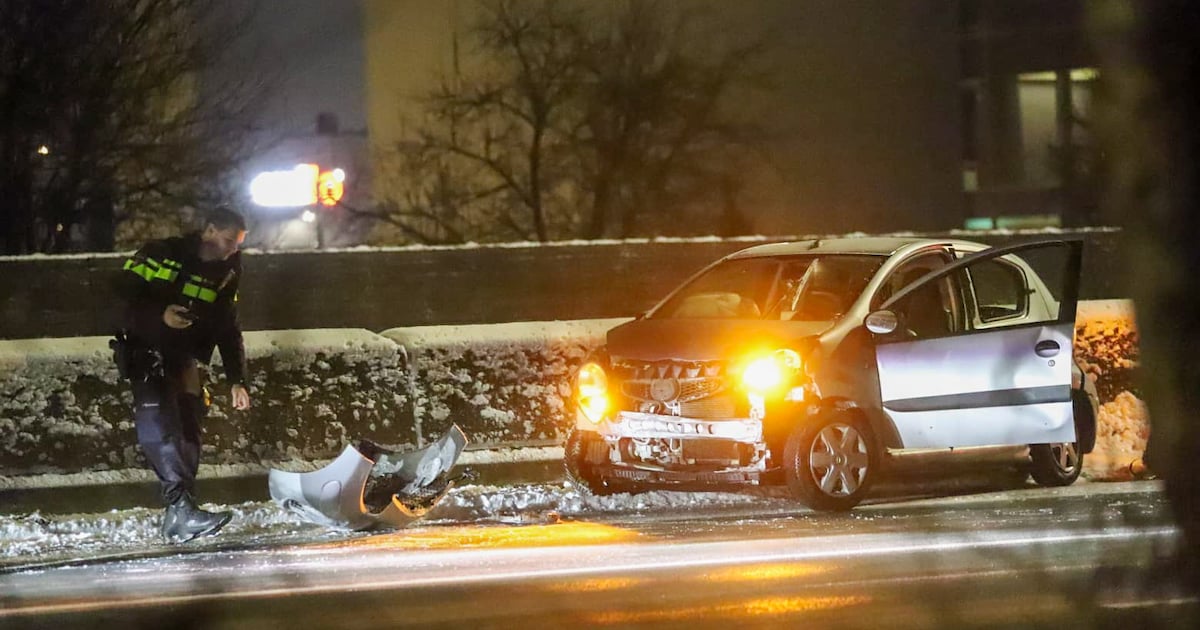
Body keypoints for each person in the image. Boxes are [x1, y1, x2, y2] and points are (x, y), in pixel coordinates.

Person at [112, 205, 251, 543]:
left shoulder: (227, 272)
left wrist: (238, 379)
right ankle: (180, 508)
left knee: (189, 430)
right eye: (229, 241)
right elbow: (118, 299)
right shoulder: (160, 255)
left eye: (238, 244)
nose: (233, 250)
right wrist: (160, 316)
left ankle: (182, 512)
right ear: (208, 231)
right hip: (145, 351)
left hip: (183, 356)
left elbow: (228, 327)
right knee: (160, 428)